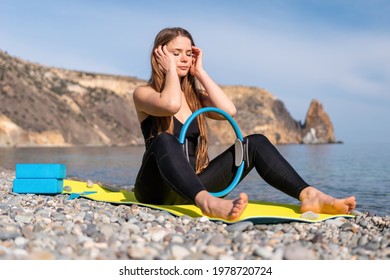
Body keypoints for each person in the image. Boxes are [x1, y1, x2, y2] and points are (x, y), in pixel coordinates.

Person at [132, 27, 356, 221]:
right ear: (160, 55)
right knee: (165, 139)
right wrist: (170, 70)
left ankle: (309, 195)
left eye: (189, 53)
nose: (184, 59)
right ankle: (208, 204)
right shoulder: (144, 93)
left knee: (255, 142)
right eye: (176, 53)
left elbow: (228, 111)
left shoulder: (196, 99)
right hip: (156, 188)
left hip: (192, 187)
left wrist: (200, 72)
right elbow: (170, 104)